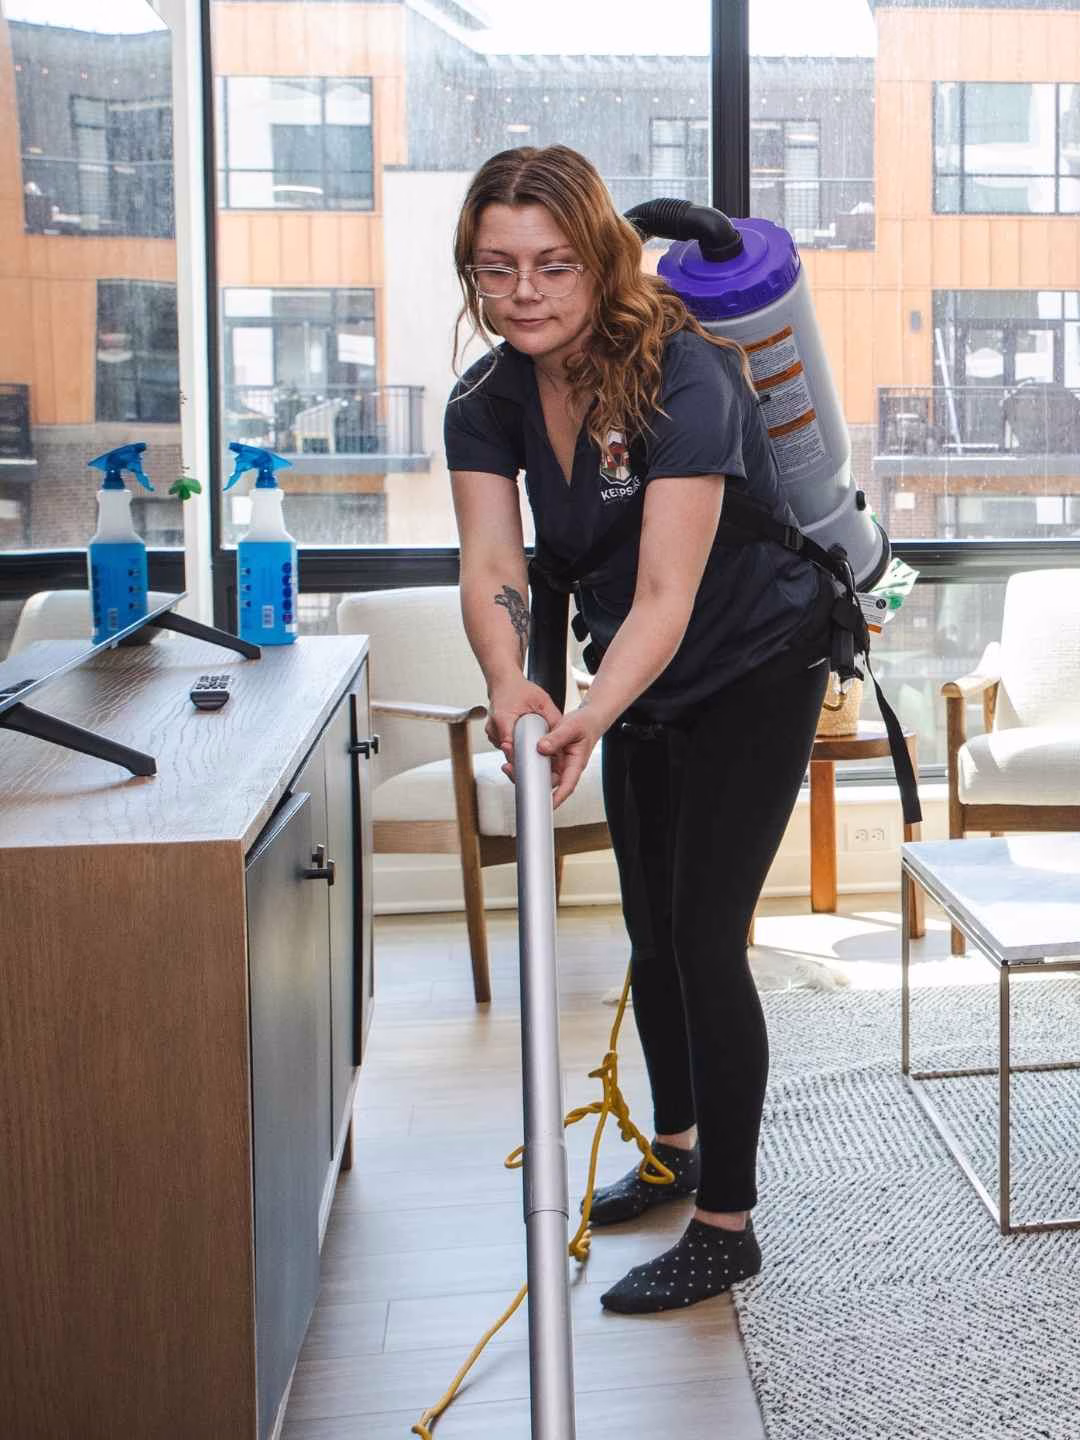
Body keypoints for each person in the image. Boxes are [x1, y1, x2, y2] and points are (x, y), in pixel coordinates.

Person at [444, 144, 833, 1315]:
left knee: (706, 932)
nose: (524, 293)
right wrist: (515, 680)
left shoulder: (687, 374)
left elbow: (667, 592)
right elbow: (492, 561)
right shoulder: (486, 397)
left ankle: (730, 1223)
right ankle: (675, 1150)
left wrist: (586, 716)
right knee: (649, 931)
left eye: (553, 265)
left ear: (600, 258)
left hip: (759, 663)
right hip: (643, 679)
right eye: (497, 267)